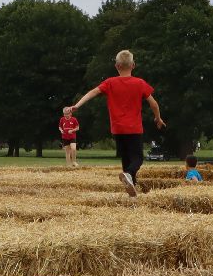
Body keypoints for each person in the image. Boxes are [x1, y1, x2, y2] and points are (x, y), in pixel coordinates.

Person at [68, 49, 165, 198]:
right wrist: (157, 118)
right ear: (133, 65)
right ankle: (129, 175)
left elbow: (93, 92)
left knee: (126, 158)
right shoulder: (139, 83)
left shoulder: (110, 82)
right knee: (137, 158)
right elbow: (154, 104)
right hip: (134, 128)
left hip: (118, 129)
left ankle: (132, 191)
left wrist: (77, 105)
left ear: (117, 66)